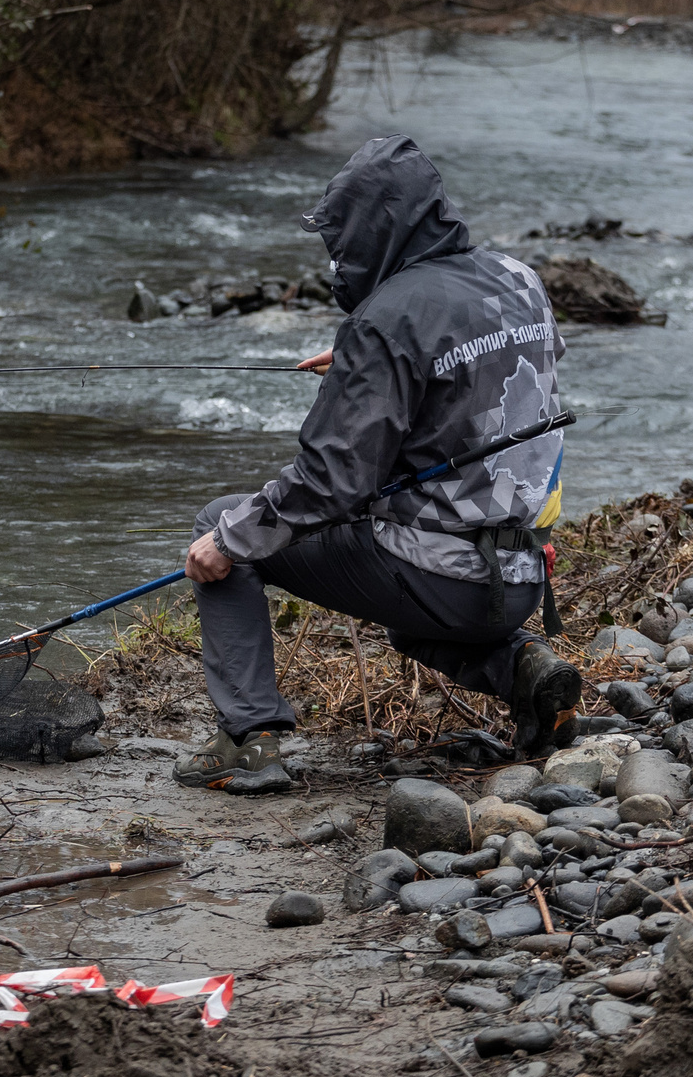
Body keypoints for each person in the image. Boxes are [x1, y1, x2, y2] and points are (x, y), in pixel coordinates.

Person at [177, 135, 579, 795]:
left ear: (376, 227)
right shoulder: (519, 278)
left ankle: (249, 740)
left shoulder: (387, 318)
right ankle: (524, 670)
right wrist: (376, 369)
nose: (339, 257)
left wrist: (226, 542)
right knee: (404, 602)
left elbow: (329, 482)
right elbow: (495, 366)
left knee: (222, 522)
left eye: (344, 238)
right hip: (522, 575)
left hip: (442, 581)